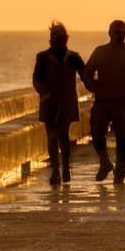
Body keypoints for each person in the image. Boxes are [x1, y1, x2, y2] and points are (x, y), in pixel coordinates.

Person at [82, 19, 125, 183]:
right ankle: (105, 162)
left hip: (123, 102)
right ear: (109, 33)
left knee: (122, 139)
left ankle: (120, 174)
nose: (120, 35)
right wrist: (94, 87)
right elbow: (87, 73)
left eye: (123, 32)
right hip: (102, 101)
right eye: (117, 32)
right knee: (96, 135)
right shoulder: (100, 51)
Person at [32, 21, 85, 185]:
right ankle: (55, 170)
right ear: (52, 39)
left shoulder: (74, 57)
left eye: (65, 37)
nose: (63, 41)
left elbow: (85, 74)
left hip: (67, 102)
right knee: (51, 137)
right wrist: (43, 92)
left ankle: (66, 168)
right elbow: (36, 79)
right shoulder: (43, 57)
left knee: (64, 135)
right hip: (50, 103)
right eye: (59, 38)